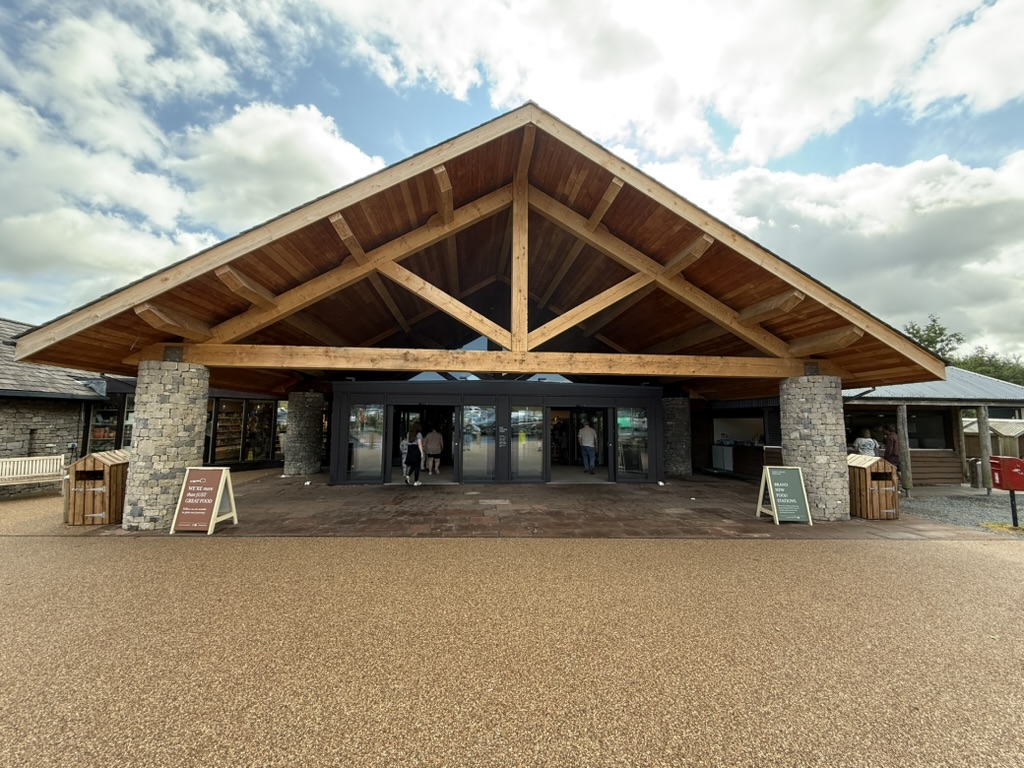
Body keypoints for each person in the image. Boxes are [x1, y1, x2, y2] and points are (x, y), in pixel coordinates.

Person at [404, 421, 423, 486]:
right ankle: (416, 481)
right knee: (417, 466)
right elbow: (419, 444)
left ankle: (408, 475)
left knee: (413, 465)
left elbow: (407, 442)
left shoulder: (409, 433)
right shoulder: (419, 434)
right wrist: (422, 452)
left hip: (410, 450)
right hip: (416, 450)